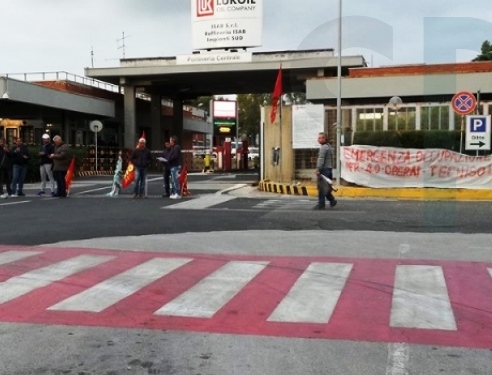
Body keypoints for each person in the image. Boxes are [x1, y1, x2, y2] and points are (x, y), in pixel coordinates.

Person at [314, 132, 337, 209]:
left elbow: (321, 159)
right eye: (318, 138)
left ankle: (321, 204)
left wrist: (318, 169)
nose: (318, 139)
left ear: (324, 138)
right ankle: (332, 200)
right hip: (329, 169)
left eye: (320, 138)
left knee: (321, 187)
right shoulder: (329, 147)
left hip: (324, 170)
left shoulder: (323, 147)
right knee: (326, 187)